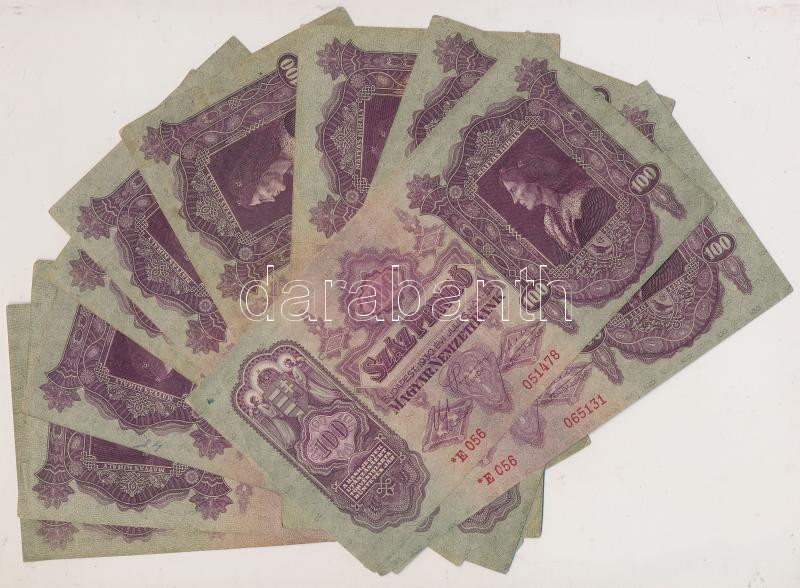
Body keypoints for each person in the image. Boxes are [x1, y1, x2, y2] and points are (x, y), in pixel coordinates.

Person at [499, 154, 610, 262]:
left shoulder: (590, 198)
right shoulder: (550, 222)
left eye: (514, 189)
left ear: (531, 177)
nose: (515, 200)